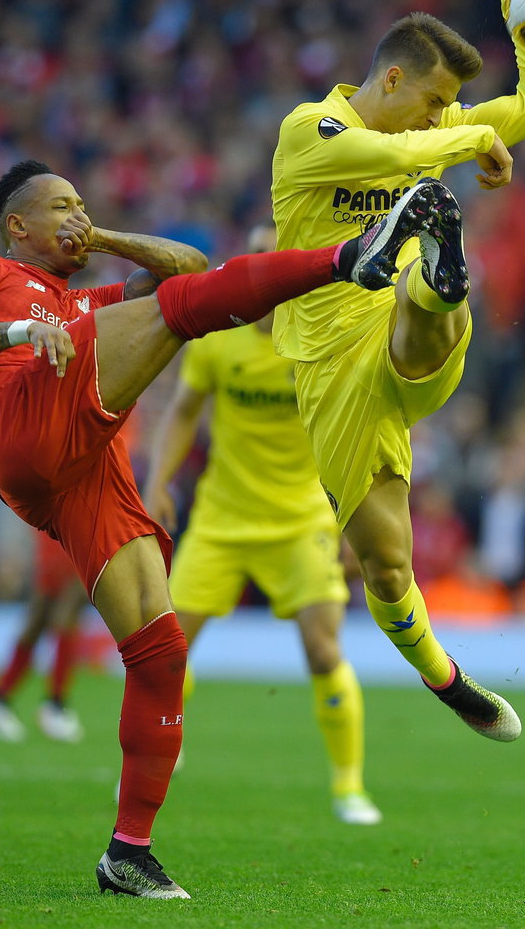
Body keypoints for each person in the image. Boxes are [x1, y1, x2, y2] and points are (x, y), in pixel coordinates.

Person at [0, 159, 440, 900]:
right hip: (17, 424)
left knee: (162, 654)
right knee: (181, 311)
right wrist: (16, 332)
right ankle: (345, 259)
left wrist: (99, 234)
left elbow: (187, 265)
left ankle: (128, 853)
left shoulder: (84, 299)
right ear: (18, 226)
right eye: (63, 206)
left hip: (79, 472)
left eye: (85, 203)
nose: (78, 213)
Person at [270, 0, 525, 739]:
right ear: (391, 79)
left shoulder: (433, 126)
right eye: (434, 100)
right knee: (386, 566)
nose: (441, 116)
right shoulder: (309, 130)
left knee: (416, 297)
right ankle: (451, 683)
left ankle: (435, 264)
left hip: (402, 332)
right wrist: (471, 140)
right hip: (330, 365)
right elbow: (391, 157)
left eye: (450, 106)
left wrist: (519, 10)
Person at [144, 224, 382, 827]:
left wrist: (358, 519)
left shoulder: (320, 339)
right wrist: (157, 483)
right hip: (222, 518)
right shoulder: (216, 338)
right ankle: (163, 751)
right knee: (168, 653)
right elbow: (183, 413)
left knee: (323, 648)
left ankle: (349, 786)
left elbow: (363, 427)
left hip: (300, 519)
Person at [0, 529, 89, 743]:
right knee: (68, 606)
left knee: (41, 616)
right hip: (70, 528)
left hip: (59, 527)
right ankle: (55, 704)